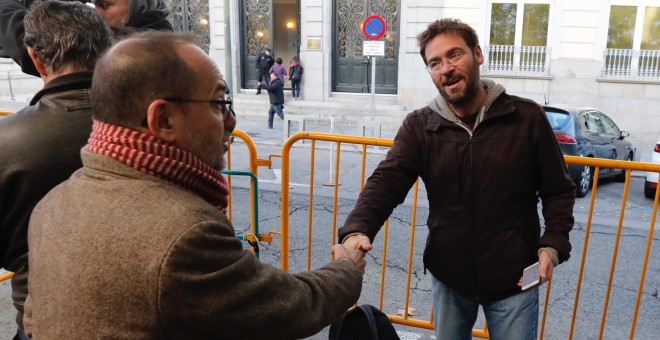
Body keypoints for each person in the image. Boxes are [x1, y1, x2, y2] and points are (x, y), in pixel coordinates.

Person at [23, 31, 365, 338]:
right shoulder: (184, 234)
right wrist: (347, 266)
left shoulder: (53, 202)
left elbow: (33, 319)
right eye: (219, 103)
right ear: (164, 120)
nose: (231, 120)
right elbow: (290, 307)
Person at [338, 18, 575, 340]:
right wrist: (357, 229)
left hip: (515, 279)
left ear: (477, 54)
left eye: (454, 55)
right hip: (449, 278)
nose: (445, 69)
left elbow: (558, 190)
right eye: (435, 63)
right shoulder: (420, 126)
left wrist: (552, 245)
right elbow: (387, 181)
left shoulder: (527, 117)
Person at [0, 1, 112, 339]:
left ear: (35, 59)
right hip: (144, 315)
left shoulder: (6, 142)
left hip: (42, 320)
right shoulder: (152, 125)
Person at [0, 0, 172, 76]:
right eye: (95, 4)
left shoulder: (147, 42)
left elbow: (47, 47)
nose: (97, 14)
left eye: (105, 5)